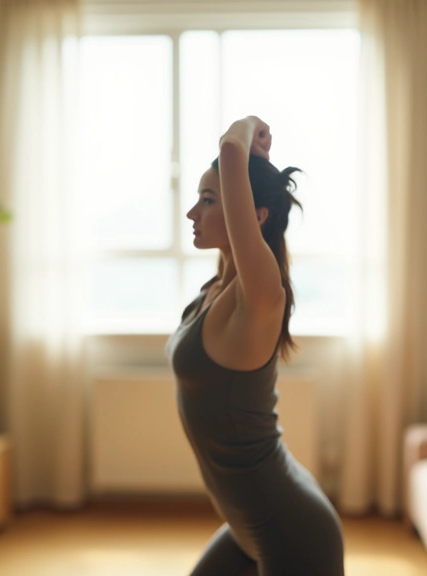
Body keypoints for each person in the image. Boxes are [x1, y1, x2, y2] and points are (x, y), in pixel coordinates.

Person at [165, 116, 346, 575]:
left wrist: (252, 130)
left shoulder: (263, 296)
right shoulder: (217, 287)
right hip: (248, 524)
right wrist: (255, 163)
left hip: (292, 530)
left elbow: (230, 151)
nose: (192, 213)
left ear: (253, 215)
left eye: (208, 200)